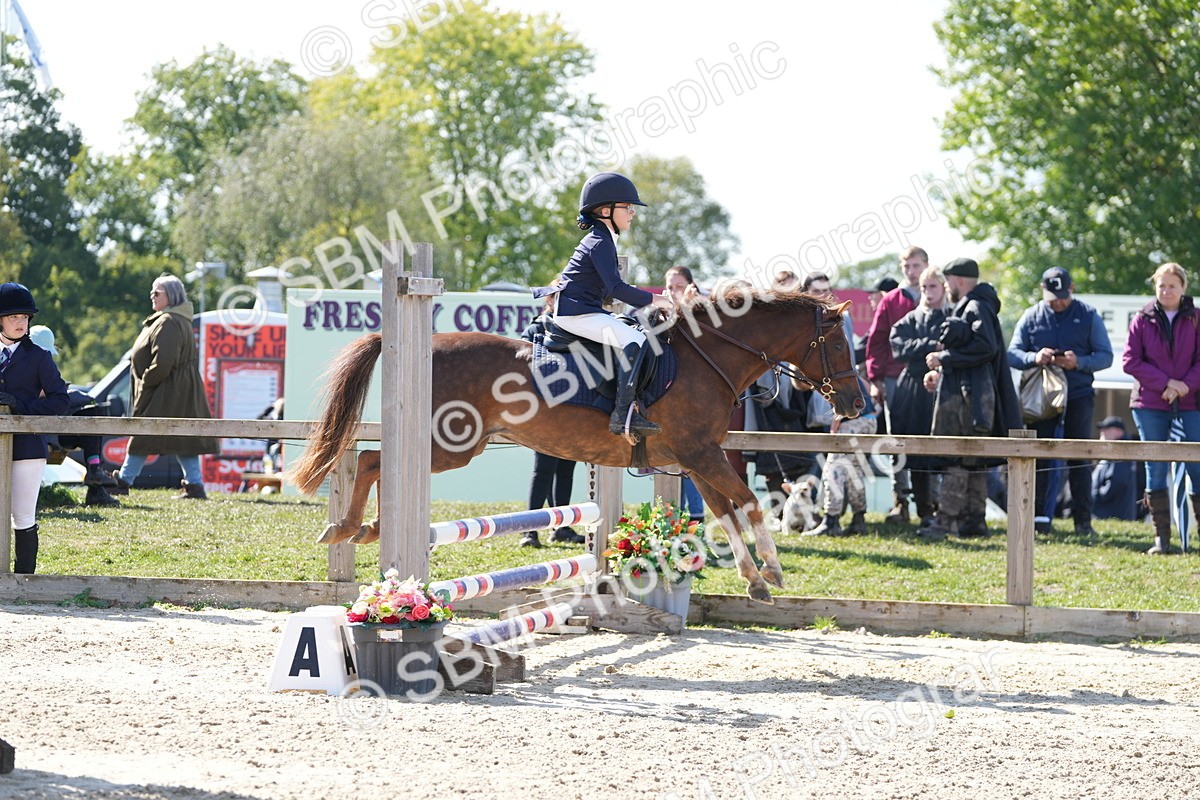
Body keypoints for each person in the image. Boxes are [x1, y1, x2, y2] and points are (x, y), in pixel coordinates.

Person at [547, 172, 674, 438]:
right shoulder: (599, 241)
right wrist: (657, 300)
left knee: (633, 334)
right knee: (635, 341)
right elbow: (616, 289)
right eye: (627, 208)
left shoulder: (604, 239)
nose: (632, 213)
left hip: (583, 310)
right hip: (575, 313)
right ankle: (622, 415)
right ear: (606, 211)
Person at [1007, 267, 1113, 536]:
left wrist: (1079, 362)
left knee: (1079, 458)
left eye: (1062, 296)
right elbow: (1012, 353)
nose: (1058, 301)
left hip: (1078, 394)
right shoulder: (1032, 315)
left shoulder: (1088, 315)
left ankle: (1083, 523)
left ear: (1072, 289)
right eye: (1052, 296)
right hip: (1041, 399)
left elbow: (1106, 356)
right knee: (1041, 458)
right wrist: (1035, 357)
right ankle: (1040, 521)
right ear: (1042, 291)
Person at [922, 258, 1021, 540]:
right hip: (975, 394)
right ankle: (975, 520)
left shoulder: (975, 305)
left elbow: (985, 346)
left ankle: (945, 521)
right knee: (973, 458)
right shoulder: (979, 304)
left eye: (949, 280)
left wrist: (945, 358)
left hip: (971, 396)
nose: (947, 286)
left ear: (959, 281)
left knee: (957, 455)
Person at [110, 274, 218, 499]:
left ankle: (123, 481)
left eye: (157, 292)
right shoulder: (172, 319)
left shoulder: (169, 321)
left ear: (172, 296)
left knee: (143, 434)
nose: (152, 295)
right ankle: (195, 484)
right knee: (183, 438)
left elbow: (164, 362)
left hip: (167, 390)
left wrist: (146, 383)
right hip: (174, 389)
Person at [1122, 262, 1200, 555]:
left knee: (1197, 467)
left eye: (1172, 285)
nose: (1166, 291)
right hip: (1150, 403)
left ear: (1183, 288)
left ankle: (1196, 538)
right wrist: (1166, 383)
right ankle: (1161, 540)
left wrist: (1183, 386)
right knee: (1154, 467)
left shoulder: (1196, 318)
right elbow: (1130, 361)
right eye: (1161, 285)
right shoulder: (1141, 319)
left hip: (1192, 403)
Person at [0, 283, 70, 573]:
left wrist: (21, 404)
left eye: (25, 318)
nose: (21, 322)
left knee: (23, 514)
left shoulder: (40, 356)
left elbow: (61, 400)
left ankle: (24, 578)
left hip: (28, 446)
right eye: (14, 317)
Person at [865, 246, 929, 523]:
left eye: (916, 265)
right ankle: (900, 502)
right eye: (907, 266)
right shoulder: (891, 299)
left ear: (926, 265)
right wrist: (876, 379)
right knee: (897, 439)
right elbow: (876, 340)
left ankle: (931, 503)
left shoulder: (937, 295)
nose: (911, 271)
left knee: (931, 439)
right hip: (894, 378)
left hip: (929, 377)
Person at [28, 325, 121, 507]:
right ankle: (95, 475)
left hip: (50, 428)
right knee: (88, 411)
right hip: (30, 430)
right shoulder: (20, 364)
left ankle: (95, 475)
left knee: (90, 414)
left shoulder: (41, 364)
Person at [888, 265, 952, 528]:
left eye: (933, 286)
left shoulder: (952, 317)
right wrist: (929, 346)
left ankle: (941, 511)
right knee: (910, 450)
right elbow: (897, 346)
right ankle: (916, 509)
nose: (927, 291)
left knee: (941, 452)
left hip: (945, 388)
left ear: (943, 288)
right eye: (924, 287)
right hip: (912, 390)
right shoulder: (911, 319)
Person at [519, 291, 582, 548]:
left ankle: (561, 527)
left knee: (566, 470)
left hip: (574, 408)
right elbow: (519, 360)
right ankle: (530, 531)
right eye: (559, 298)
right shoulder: (536, 327)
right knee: (542, 471)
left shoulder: (578, 327)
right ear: (550, 301)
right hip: (545, 409)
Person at [800, 377, 877, 537]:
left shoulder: (824, 378)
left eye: (808, 386)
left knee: (833, 469)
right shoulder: (845, 370)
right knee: (854, 471)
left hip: (851, 423)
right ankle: (859, 520)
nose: (813, 390)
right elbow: (867, 387)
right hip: (869, 420)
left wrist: (834, 430)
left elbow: (839, 406)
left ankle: (831, 521)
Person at [663, 266, 705, 523]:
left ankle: (697, 520)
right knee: (669, 467)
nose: (674, 292)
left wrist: (690, 305)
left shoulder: (702, 315)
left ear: (691, 286)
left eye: (679, 286)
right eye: (670, 287)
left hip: (695, 405)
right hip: (665, 402)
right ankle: (670, 521)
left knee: (694, 463)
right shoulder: (657, 313)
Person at [1091, 416, 1139, 521]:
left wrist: (1095, 497)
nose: (1102, 432)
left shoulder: (1122, 452)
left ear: (1118, 432)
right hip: (1109, 513)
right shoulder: (1117, 452)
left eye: (1106, 429)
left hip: (1111, 514)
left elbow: (1117, 482)